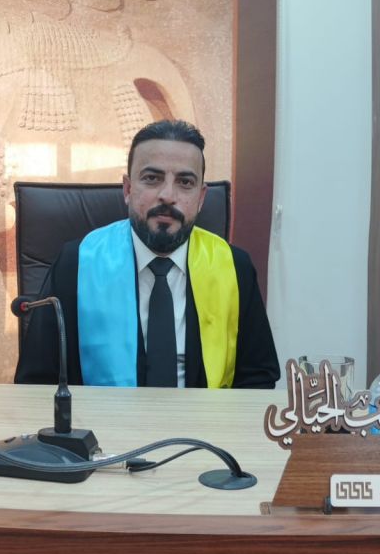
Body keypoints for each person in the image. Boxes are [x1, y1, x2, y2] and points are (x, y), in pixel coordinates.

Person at [15, 120, 279, 388]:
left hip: (206, 416)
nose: (167, 195)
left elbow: (258, 378)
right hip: (102, 415)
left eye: (185, 182)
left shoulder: (234, 267)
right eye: (152, 178)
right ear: (128, 189)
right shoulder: (78, 263)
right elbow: (37, 381)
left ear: (201, 198)